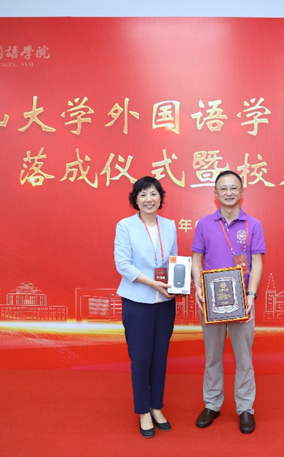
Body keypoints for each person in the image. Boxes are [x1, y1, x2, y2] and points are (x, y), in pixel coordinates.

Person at [191, 170, 265, 434]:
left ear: (242, 192)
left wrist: (251, 295)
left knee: (244, 358)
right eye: (223, 188)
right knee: (212, 356)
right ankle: (212, 404)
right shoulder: (204, 224)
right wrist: (198, 289)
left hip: (243, 303)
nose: (229, 192)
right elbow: (196, 260)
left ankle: (245, 408)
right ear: (215, 194)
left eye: (234, 187)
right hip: (212, 303)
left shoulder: (253, 225)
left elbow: (257, 262)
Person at [114, 176, 178, 439]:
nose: (149, 199)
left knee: (160, 357)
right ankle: (143, 411)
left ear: (160, 198)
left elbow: (174, 260)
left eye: (153, 194)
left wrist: (177, 284)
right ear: (136, 200)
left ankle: (156, 407)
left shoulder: (169, 225)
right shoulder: (125, 226)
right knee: (141, 359)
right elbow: (123, 265)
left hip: (165, 303)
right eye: (143, 194)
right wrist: (153, 283)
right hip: (137, 301)